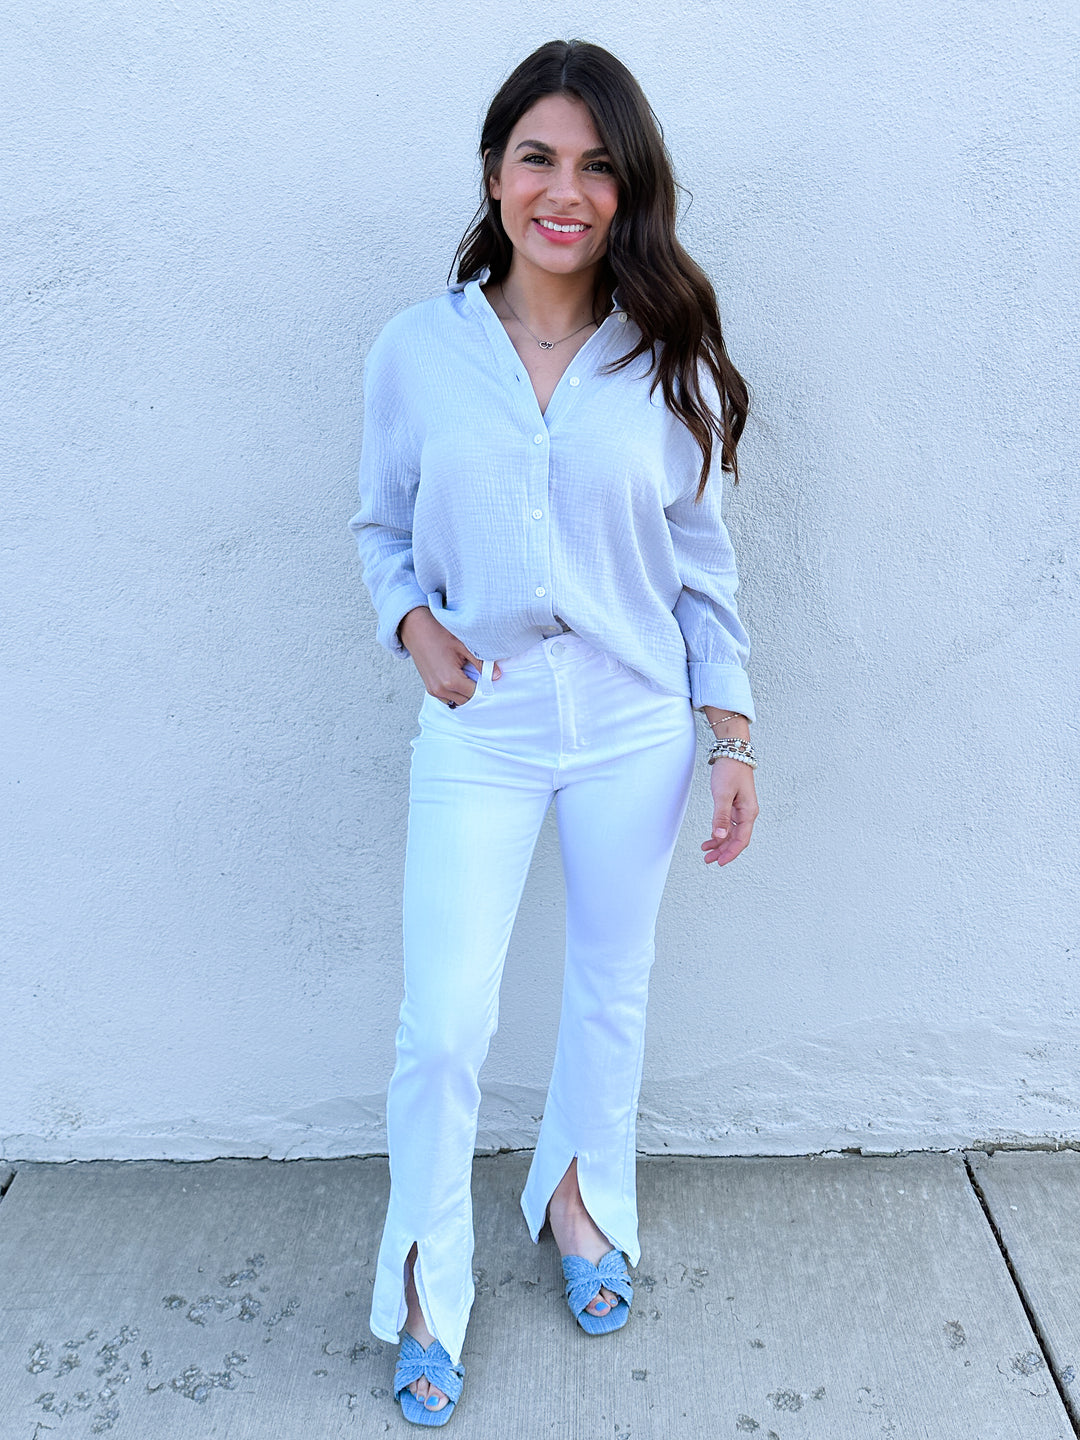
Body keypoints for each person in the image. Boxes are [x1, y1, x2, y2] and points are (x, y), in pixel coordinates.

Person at [350, 38, 759, 1426]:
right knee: (444, 1025)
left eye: (597, 166)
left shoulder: (666, 359)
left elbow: (703, 569)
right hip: (486, 717)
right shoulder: (419, 351)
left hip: (637, 720)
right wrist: (413, 627)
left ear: (628, 189)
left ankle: (582, 1202)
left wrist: (731, 735)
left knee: (609, 989)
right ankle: (425, 1284)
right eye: (538, 158)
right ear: (494, 173)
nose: (564, 191)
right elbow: (380, 529)